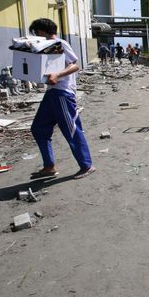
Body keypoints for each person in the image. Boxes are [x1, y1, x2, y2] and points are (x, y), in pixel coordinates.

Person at [29, 18, 95, 180]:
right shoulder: (46, 48)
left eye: (37, 32)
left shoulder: (60, 43)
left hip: (63, 94)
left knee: (72, 129)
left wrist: (57, 75)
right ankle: (49, 166)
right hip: (52, 93)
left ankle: (86, 165)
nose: (37, 36)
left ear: (43, 31)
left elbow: (75, 65)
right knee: (38, 128)